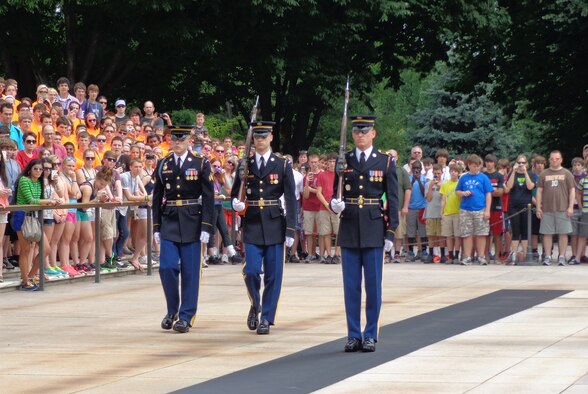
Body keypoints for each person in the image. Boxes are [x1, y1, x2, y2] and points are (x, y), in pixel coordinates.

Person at [330, 115, 399, 353]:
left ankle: (370, 333)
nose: (360, 135)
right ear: (352, 135)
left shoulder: (385, 162)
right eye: (357, 131)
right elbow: (334, 195)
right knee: (351, 286)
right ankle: (352, 334)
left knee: (373, 286)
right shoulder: (344, 160)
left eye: (365, 131)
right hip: (349, 226)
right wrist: (335, 204)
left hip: (373, 227)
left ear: (373, 133)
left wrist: (390, 232)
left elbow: (392, 199)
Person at [231, 121, 296, 335]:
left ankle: (267, 317)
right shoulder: (245, 164)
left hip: (275, 222)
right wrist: (236, 204)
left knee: (273, 274)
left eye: (263, 136)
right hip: (252, 222)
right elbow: (235, 193)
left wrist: (291, 229)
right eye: (256, 136)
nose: (259, 140)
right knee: (250, 271)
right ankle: (255, 304)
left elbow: (290, 198)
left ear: (270, 137)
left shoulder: (282, 164)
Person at [152, 128, 214, 333]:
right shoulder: (164, 164)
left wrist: (207, 226)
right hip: (169, 219)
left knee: (190, 271)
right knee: (166, 267)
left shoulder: (201, 162)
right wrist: (156, 226)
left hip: (192, 221)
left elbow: (208, 197)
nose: (177, 142)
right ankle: (172, 310)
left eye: (182, 139)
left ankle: (186, 316)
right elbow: (156, 198)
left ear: (189, 140)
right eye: (174, 139)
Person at [536, 150, 575, 266]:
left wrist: (570, 207)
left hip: (563, 208)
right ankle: (547, 256)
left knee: (563, 233)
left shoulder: (567, 173)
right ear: (549, 160)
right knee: (547, 233)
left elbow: (572, 191)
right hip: (547, 208)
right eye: (552, 159)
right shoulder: (544, 174)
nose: (554, 161)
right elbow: (539, 191)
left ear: (561, 160)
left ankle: (562, 256)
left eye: (557, 159)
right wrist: (538, 207)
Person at [455, 154, 494, 266]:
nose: (476, 168)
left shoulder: (483, 178)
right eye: (473, 166)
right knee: (467, 234)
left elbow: (488, 194)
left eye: (477, 166)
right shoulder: (463, 177)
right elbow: (457, 192)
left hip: (480, 209)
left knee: (481, 234)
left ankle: (481, 256)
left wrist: (487, 210)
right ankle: (467, 257)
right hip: (466, 209)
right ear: (468, 165)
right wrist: (463, 193)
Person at [504, 154, 535, 265]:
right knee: (515, 230)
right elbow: (509, 186)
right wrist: (513, 171)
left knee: (525, 231)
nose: (521, 165)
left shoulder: (531, 174)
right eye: (519, 162)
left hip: (526, 205)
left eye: (523, 163)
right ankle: (514, 254)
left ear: (527, 164)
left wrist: (525, 172)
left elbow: (530, 186)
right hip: (514, 205)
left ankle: (526, 254)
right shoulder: (512, 174)